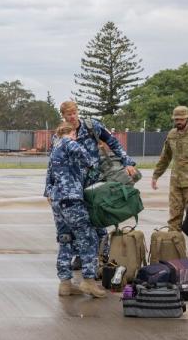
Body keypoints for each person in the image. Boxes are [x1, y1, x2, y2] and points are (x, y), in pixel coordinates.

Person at [58, 100, 137, 262]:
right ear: (63, 115)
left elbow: (113, 142)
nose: (72, 117)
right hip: (71, 183)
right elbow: (54, 161)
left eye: (74, 113)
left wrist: (127, 162)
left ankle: (102, 253)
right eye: (69, 114)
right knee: (75, 220)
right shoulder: (61, 132)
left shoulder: (91, 126)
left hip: (93, 179)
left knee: (96, 216)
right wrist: (50, 188)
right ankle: (81, 255)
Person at [44, 121, 106, 297]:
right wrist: (93, 164)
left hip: (56, 199)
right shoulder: (69, 142)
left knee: (65, 239)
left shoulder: (55, 148)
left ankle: (65, 284)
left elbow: (49, 175)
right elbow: (87, 159)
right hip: (71, 198)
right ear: (71, 133)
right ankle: (89, 281)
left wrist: (49, 192)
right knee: (89, 237)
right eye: (75, 134)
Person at [151, 106, 188, 232]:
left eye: (181, 119)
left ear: (187, 118)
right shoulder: (172, 134)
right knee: (174, 216)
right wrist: (156, 175)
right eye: (176, 119)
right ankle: (173, 246)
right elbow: (165, 157)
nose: (178, 121)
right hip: (176, 183)